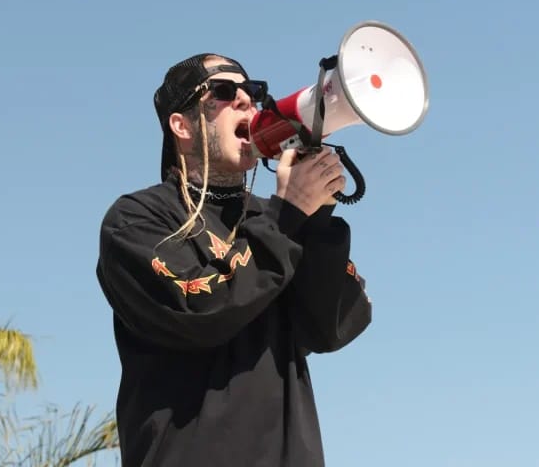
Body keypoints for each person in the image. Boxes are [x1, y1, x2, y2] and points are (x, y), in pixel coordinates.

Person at [95, 52, 373, 466]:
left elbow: (334, 327)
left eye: (254, 91)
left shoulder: (276, 216)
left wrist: (315, 218)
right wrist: (288, 213)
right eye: (224, 92)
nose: (247, 100)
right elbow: (202, 308)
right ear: (181, 125)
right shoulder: (137, 220)